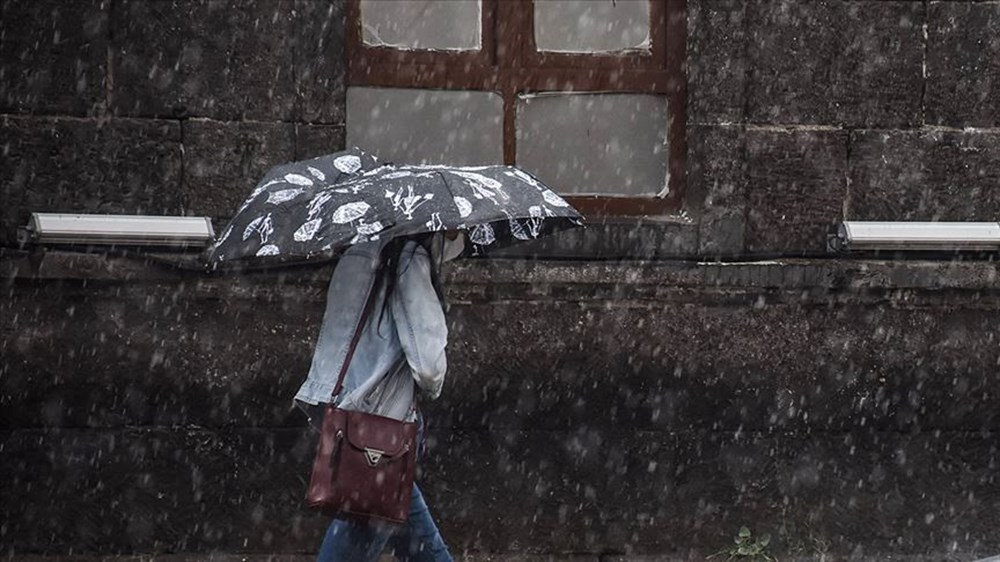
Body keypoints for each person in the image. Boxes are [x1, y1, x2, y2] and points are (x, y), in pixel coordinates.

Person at [294, 231, 464, 562]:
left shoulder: (357, 252)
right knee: (365, 533)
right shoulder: (409, 259)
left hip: (347, 416)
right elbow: (429, 368)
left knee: (416, 541)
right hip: (381, 429)